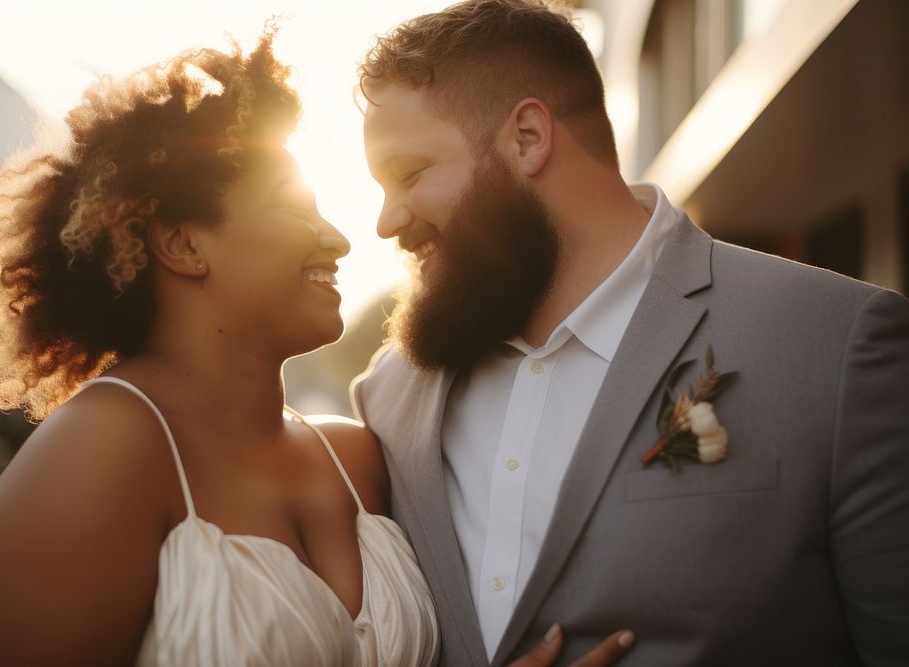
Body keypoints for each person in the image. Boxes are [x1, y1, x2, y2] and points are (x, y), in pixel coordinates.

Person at [0, 31, 632, 667]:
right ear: (184, 245)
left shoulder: (358, 457)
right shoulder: (101, 451)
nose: (338, 239)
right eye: (296, 207)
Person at [351, 1, 909, 665]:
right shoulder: (388, 397)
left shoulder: (837, 345)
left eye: (408, 174)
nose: (386, 221)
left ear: (527, 137)